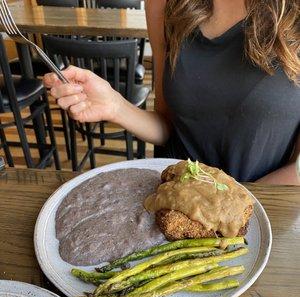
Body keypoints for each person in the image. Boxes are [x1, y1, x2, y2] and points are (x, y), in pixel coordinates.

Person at [44, 0, 300, 184]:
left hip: (265, 212)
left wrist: (231, 203)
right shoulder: (163, 5)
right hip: (174, 202)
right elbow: (169, 127)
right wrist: (115, 106)